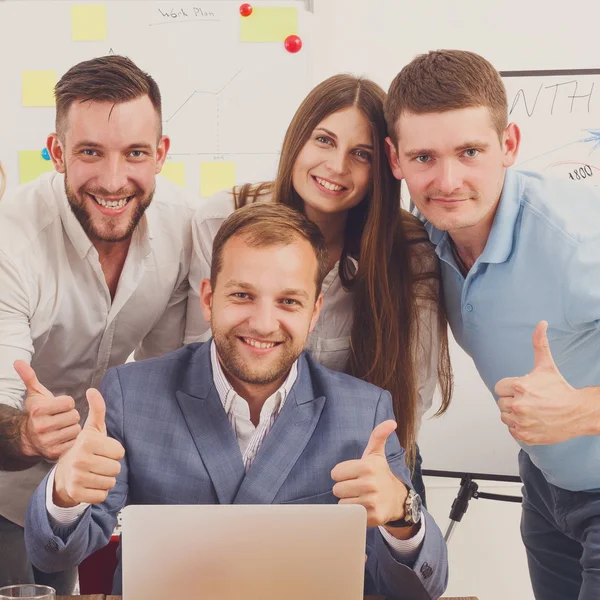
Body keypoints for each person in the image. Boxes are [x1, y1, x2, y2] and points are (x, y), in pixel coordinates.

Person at [24, 203, 448, 599]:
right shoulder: (130, 395)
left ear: (314, 311)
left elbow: (421, 589)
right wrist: (64, 494)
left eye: (288, 301)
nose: (263, 324)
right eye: (242, 295)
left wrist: (401, 514)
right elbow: (54, 555)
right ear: (208, 300)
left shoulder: (364, 413)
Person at [384, 49, 600, 600]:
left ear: (509, 146)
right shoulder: (426, 236)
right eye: (425, 158)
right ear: (395, 160)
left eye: (471, 152)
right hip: (547, 487)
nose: (448, 180)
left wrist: (581, 409)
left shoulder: (579, 244)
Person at [184, 74, 453, 505]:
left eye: (360, 154)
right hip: (233, 453)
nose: (336, 167)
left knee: (404, 566)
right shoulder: (224, 219)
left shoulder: (408, 252)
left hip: (355, 458)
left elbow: (411, 394)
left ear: (384, 167)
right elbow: (193, 359)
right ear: (297, 140)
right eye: (324, 141)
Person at [0, 55, 196, 592]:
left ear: (160, 154)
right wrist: (25, 432)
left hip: (86, 493)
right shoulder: (10, 238)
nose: (114, 180)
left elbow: (172, 376)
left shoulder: (185, 228)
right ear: (58, 152)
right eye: (90, 152)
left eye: (134, 153)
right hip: (4, 483)